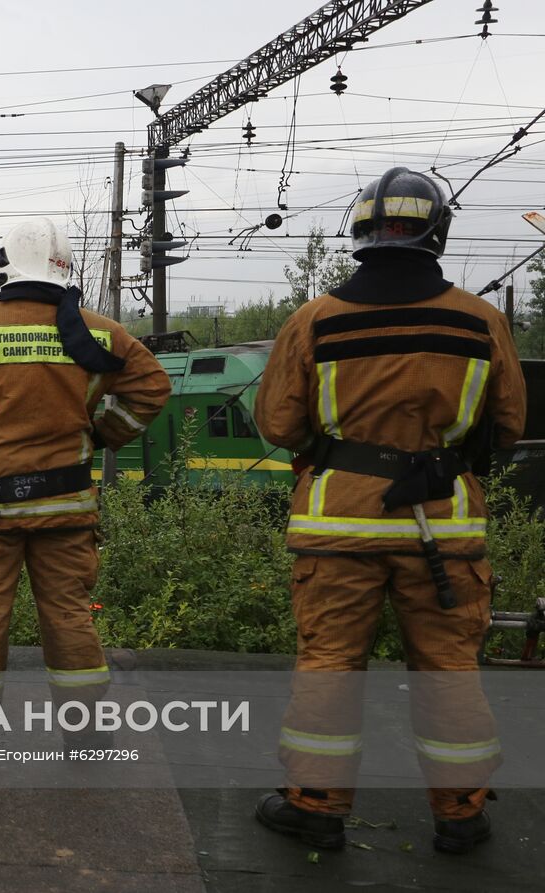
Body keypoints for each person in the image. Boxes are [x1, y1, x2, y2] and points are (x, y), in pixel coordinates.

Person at [253, 167, 526, 853]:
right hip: (446, 525)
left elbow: (280, 425)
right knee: (448, 667)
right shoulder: (479, 320)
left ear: (362, 232)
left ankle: (315, 806)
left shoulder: (315, 320)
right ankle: (460, 815)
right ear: (437, 231)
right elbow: (510, 423)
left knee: (330, 663)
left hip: (337, 525)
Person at [0, 216, 171, 749]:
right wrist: (104, 433)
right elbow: (152, 388)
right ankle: (84, 732)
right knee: (68, 613)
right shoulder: (100, 333)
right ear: (66, 270)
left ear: (4, 266)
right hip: (67, 505)